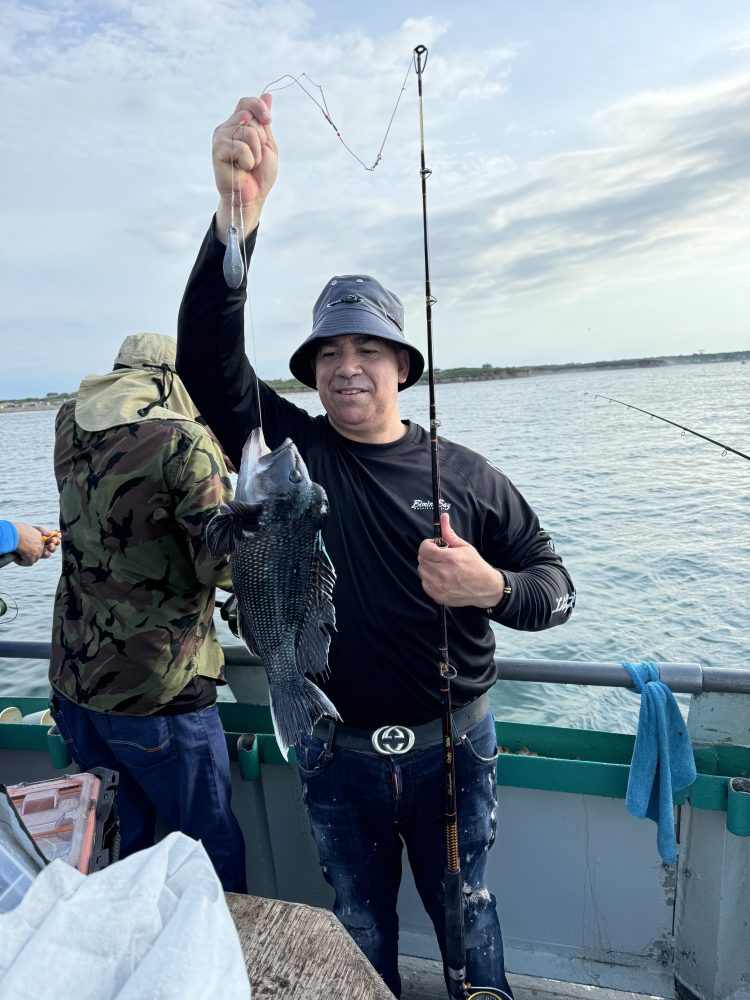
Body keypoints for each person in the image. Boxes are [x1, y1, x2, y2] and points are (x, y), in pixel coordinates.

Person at [177, 96, 576, 996]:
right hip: (332, 751)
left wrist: (489, 589)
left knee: (471, 916)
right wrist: (237, 216)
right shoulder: (293, 453)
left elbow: (557, 587)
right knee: (355, 935)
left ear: (401, 366)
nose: (346, 365)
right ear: (312, 371)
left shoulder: (470, 477)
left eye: (368, 348)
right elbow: (205, 359)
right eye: (328, 352)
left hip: (454, 752)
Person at [48, 332, 247, 893]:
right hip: (159, 692)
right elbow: (222, 567)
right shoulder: (186, 441)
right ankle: (218, 968)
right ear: (171, 381)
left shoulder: (68, 424)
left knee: (119, 848)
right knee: (208, 851)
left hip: (75, 684)